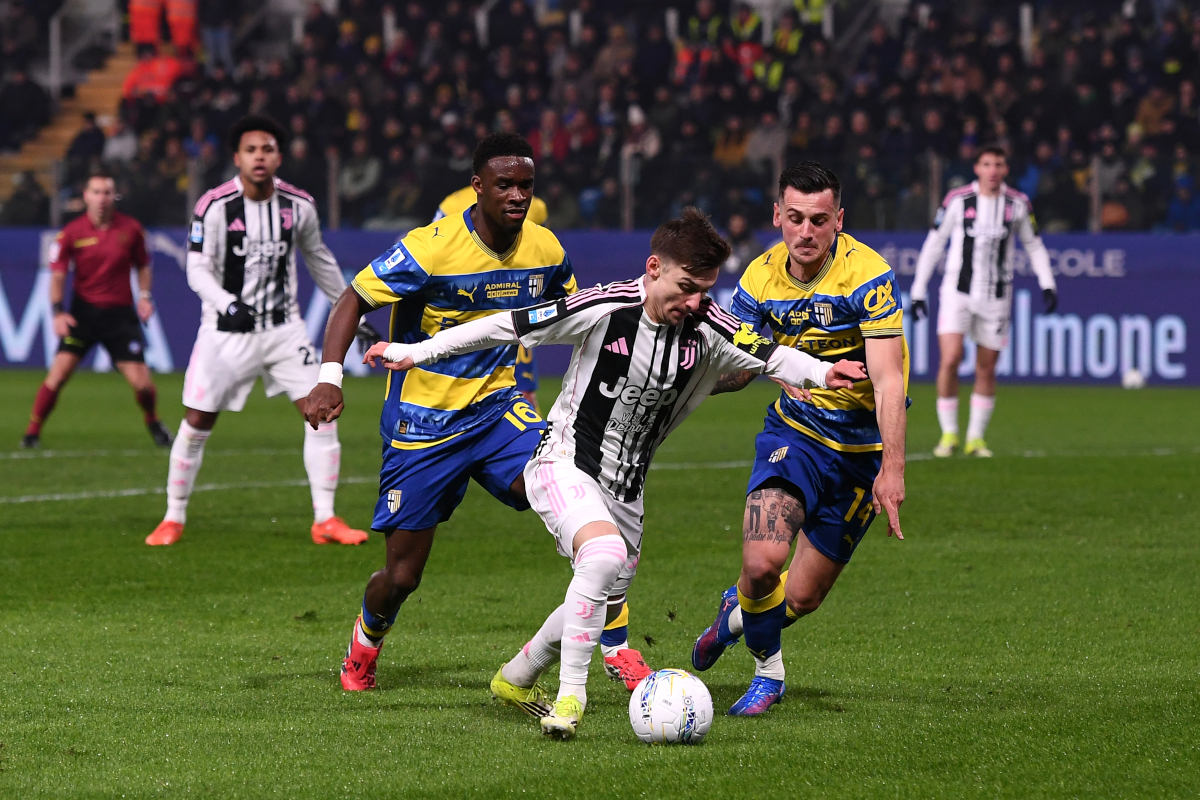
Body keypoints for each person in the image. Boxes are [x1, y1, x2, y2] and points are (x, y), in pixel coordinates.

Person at [353, 207, 864, 739]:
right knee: (601, 558)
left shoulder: (710, 324)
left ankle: (516, 676)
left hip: (627, 489)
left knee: (595, 596)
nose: (694, 302)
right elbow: (507, 325)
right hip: (563, 460)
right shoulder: (604, 307)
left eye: (705, 290)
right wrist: (418, 351)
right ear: (653, 268)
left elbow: (772, 355)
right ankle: (569, 701)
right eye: (686, 287)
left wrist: (825, 371)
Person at [303, 133, 654, 698]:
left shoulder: (545, 248)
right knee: (401, 577)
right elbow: (353, 299)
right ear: (477, 187)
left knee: (578, 500)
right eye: (505, 185)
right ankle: (364, 647)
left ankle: (614, 644)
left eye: (526, 186)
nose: (517, 195)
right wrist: (329, 376)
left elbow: (578, 316)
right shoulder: (431, 247)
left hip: (499, 414)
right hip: (423, 427)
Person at [689, 162, 909, 716]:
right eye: (794, 219)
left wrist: (894, 469)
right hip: (796, 435)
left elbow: (888, 379)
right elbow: (737, 362)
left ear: (839, 220)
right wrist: (698, 378)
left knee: (802, 596)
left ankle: (736, 615)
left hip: (860, 453)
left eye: (817, 220)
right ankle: (769, 674)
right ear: (777, 217)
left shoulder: (868, 275)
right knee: (764, 561)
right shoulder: (759, 280)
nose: (805, 232)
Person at [145, 114, 376, 548]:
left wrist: (354, 314)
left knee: (320, 415)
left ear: (279, 156)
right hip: (224, 333)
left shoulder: (298, 205)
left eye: (267, 149)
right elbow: (196, 267)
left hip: (284, 330)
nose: (259, 157)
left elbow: (320, 260)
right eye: (251, 150)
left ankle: (325, 519)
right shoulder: (214, 205)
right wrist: (226, 303)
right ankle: (173, 516)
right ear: (237, 157)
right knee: (196, 422)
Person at [909, 145, 1057, 458]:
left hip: (997, 296)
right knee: (950, 359)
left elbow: (1034, 245)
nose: (992, 170)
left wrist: (1048, 284)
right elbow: (935, 243)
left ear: (1005, 170)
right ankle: (949, 434)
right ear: (976, 168)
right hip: (957, 292)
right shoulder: (958, 200)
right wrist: (919, 288)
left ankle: (975, 438)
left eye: (998, 164)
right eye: (986, 164)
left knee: (986, 368)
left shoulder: (1017, 204)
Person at [20, 172, 172, 450]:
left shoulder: (131, 229)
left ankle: (153, 421)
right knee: (58, 375)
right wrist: (57, 312)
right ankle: (32, 433)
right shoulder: (72, 233)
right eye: (96, 192)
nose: (102, 198)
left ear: (114, 196)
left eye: (107, 192)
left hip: (120, 317)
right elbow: (57, 275)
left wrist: (146, 297)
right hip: (84, 315)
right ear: (86, 196)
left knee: (142, 385)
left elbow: (143, 265)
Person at [431, 183, 548, 409]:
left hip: (512, 313)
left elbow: (540, 251)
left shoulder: (536, 206)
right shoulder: (453, 204)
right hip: (475, 313)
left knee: (521, 392)